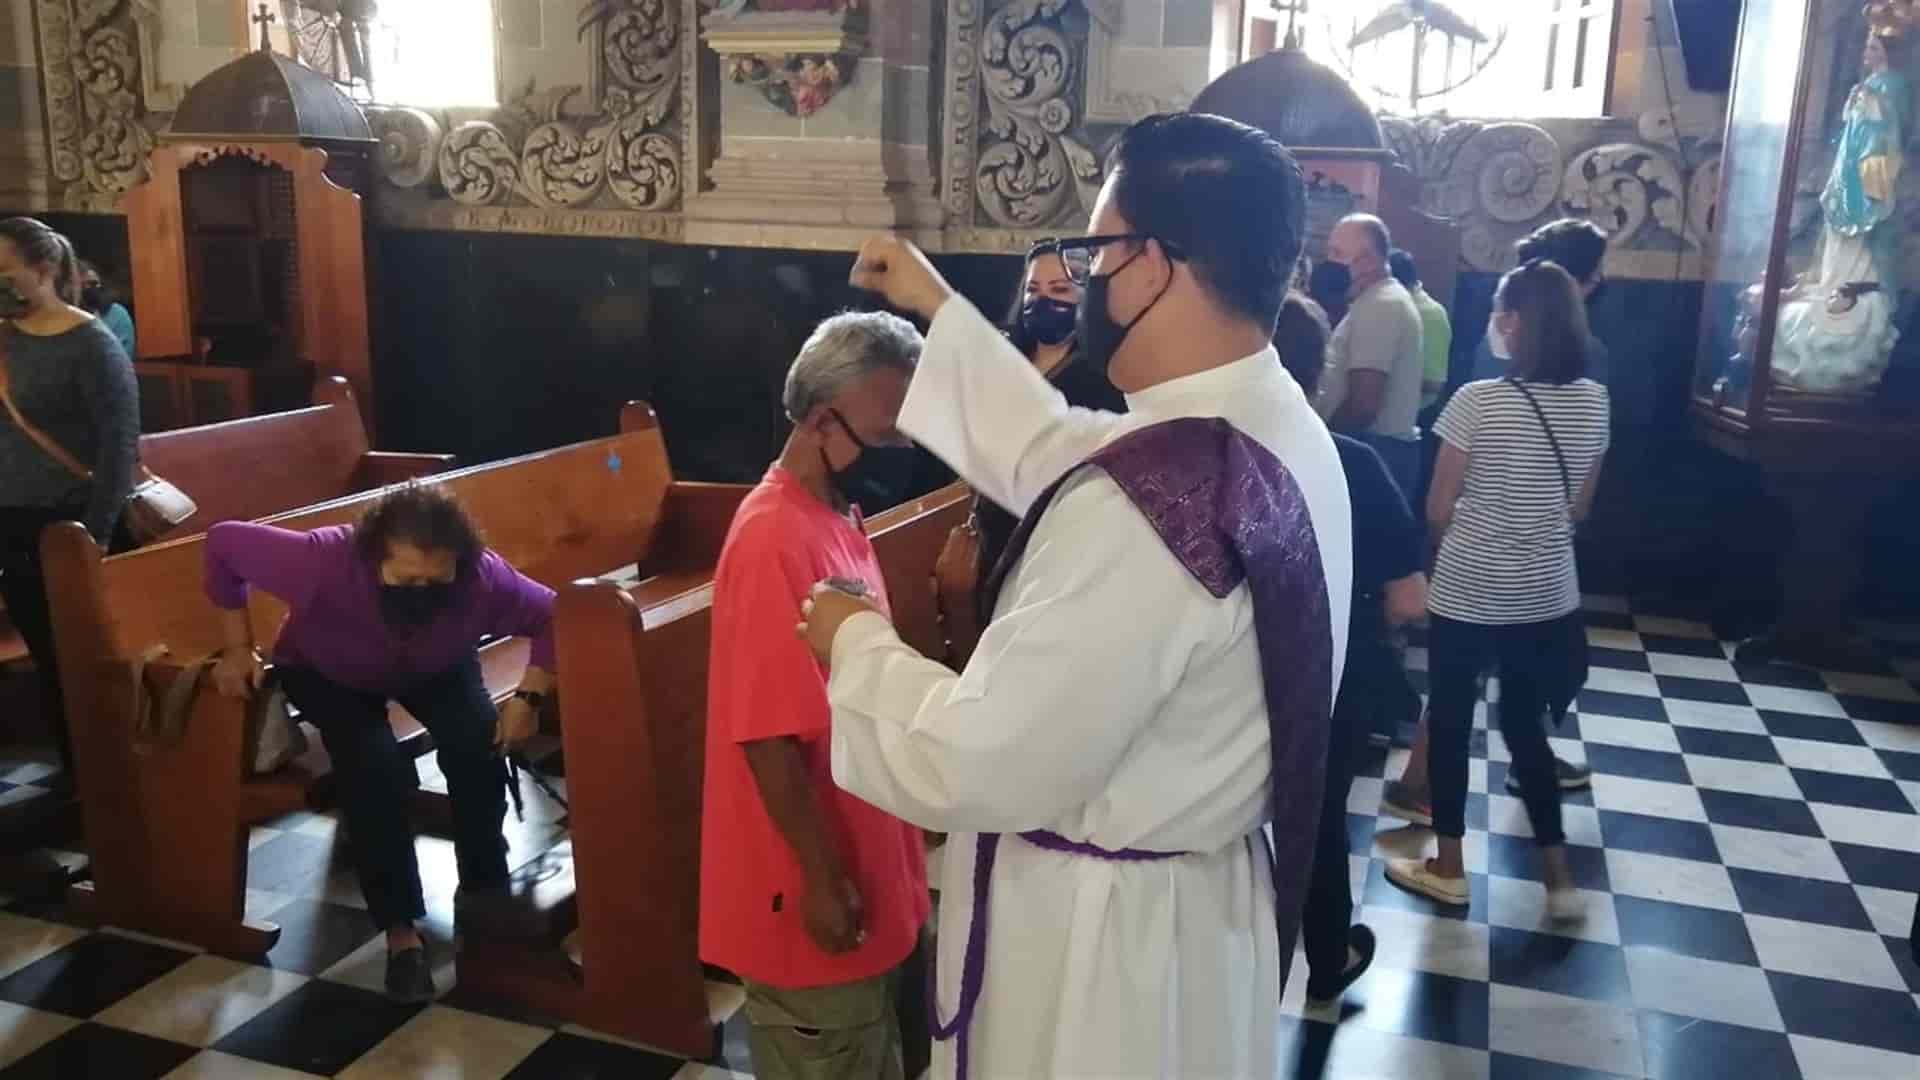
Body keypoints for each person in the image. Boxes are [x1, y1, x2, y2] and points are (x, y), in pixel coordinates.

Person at [802, 112, 1354, 1079]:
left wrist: (854, 642)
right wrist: (937, 302)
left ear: (1149, 263)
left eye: (1096, 249)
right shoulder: (1276, 428)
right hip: (1199, 911)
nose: (1089, 279)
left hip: (1099, 959)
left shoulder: (1151, 507)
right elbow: (1051, 442)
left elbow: (980, 760)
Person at [204, 485, 554, 1002]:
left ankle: (483, 892)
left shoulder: (484, 578)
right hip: (327, 672)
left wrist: (528, 697)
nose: (422, 590)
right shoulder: (322, 559)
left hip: (437, 665)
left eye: (437, 579)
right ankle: (401, 932)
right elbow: (222, 544)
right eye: (405, 578)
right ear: (372, 557)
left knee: (477, 742)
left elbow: (552, 615)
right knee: (373, 767)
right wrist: (237, 648)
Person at [699, 311, 930, 1080]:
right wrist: (823, 880)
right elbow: (766, 735)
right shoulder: (771, 536)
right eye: (888, 433)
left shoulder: (838, 516)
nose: (900, 452)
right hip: (809, 878)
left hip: (869, 859)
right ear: (822, 419)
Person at [1385, 260, 1609, 921]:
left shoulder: (1477, 401)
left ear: (1512, 323)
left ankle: (1449, 867)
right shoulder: (1595, 400)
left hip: (1470, 591)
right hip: (1547, 593)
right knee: (1526, 730)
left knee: (1451, 726)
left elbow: (1436, 506)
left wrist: (1482, 530)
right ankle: (1557, 875)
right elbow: (1582, 506)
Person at [1275, 291, 1427, 1004]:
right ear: (1318, 371)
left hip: (1221, 677)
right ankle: (1327, 955)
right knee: (1319, 815)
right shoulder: (1356, 464)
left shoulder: (1198, 460)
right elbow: (1409, 597)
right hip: (1331, 674)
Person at [936, 247, 1128, 663]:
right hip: (993, 527)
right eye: (1033, 290)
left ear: (1084, 297)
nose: (1044, 300)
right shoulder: (1007, 359)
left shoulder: (1099, 376)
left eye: (1059, 289)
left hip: (1052, 539)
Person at [0, 217, 138, 784]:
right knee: (48, 654)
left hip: (71, 522)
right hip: (11, 517)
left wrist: (97, 533)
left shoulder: (90, 342)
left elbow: (119, 444)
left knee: (83, 658)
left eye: (4, 273)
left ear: (44, 269)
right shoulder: (3, 337)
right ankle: (77, 775)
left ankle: (112, 777)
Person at [1315, 214, 1426, 496]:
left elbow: (1364, 403)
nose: (1329, 260)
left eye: (1337, 253)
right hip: (1374, 447)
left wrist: (1323, 443)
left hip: (1373, 449)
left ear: (1366, 261)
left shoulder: (1381, 305)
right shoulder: (1373, 301)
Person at [1470, 219, 1611, 387]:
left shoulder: (1498, 337)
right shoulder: (1590, 354)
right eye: (1594, 278)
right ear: (1568, 281)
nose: (1598, 283)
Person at [1389, 249, 1452, 409]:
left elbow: (1434, 383)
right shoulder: (1389, 306)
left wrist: (1382, 377)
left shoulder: (1432, 314)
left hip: (1417, 409)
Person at [77, 260, 135, 359]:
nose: (88, 288)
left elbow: (123, 358)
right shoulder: (65, 317)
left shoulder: (118, 314)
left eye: (93, 283)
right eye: (82, 285)